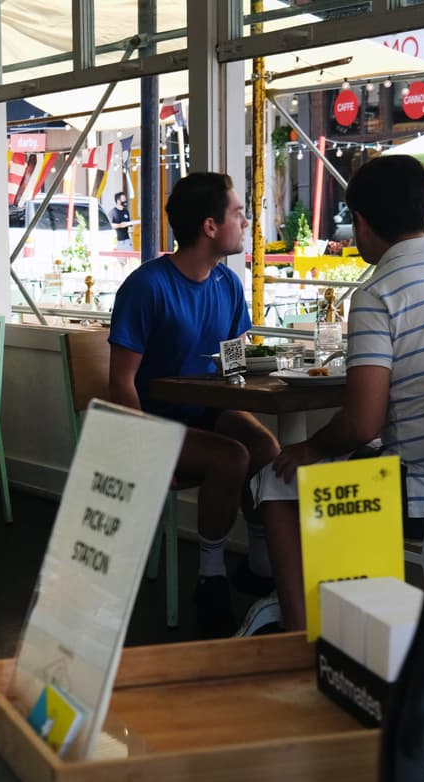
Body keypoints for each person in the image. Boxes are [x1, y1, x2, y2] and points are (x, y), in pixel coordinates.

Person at [247, 155, 424, 633]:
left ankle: (298, 639)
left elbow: (363, 424)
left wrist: (309, 448)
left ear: (360, 223)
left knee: (278, 478)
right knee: (363, 461)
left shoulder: (378, 294)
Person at [108, 172, 280, 637]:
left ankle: (260, 567)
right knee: (232, 457)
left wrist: (259, 367)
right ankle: (211, 577)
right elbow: (121, 381)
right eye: (238, 213)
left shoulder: (227, 285)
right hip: (154, 420)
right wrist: (140, 442)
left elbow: (234, 363)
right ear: (210, 226)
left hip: (205, 412)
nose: (246, 222)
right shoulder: (147, 287)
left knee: (266, 450)